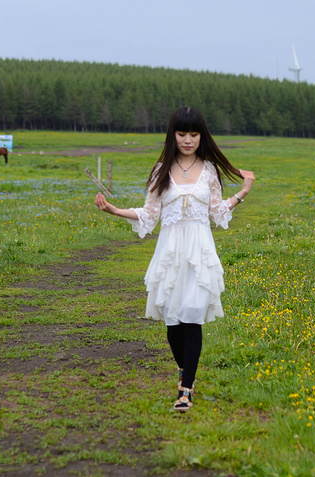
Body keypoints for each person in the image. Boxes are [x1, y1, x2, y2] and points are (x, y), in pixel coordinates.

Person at [94, 106, 255, 412]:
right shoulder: (161, 171)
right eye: (182, 133)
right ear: (173, 135)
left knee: (192, 316)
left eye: (194, 134)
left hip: (198, 252)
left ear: (201, 136)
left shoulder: (209, 171)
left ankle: (186, 391)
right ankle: (184, 370)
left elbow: (217, 212)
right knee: (172, 321)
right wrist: (114, 211)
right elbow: (148, 214)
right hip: (169, 254)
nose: (188, 140)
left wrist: (243, 191)